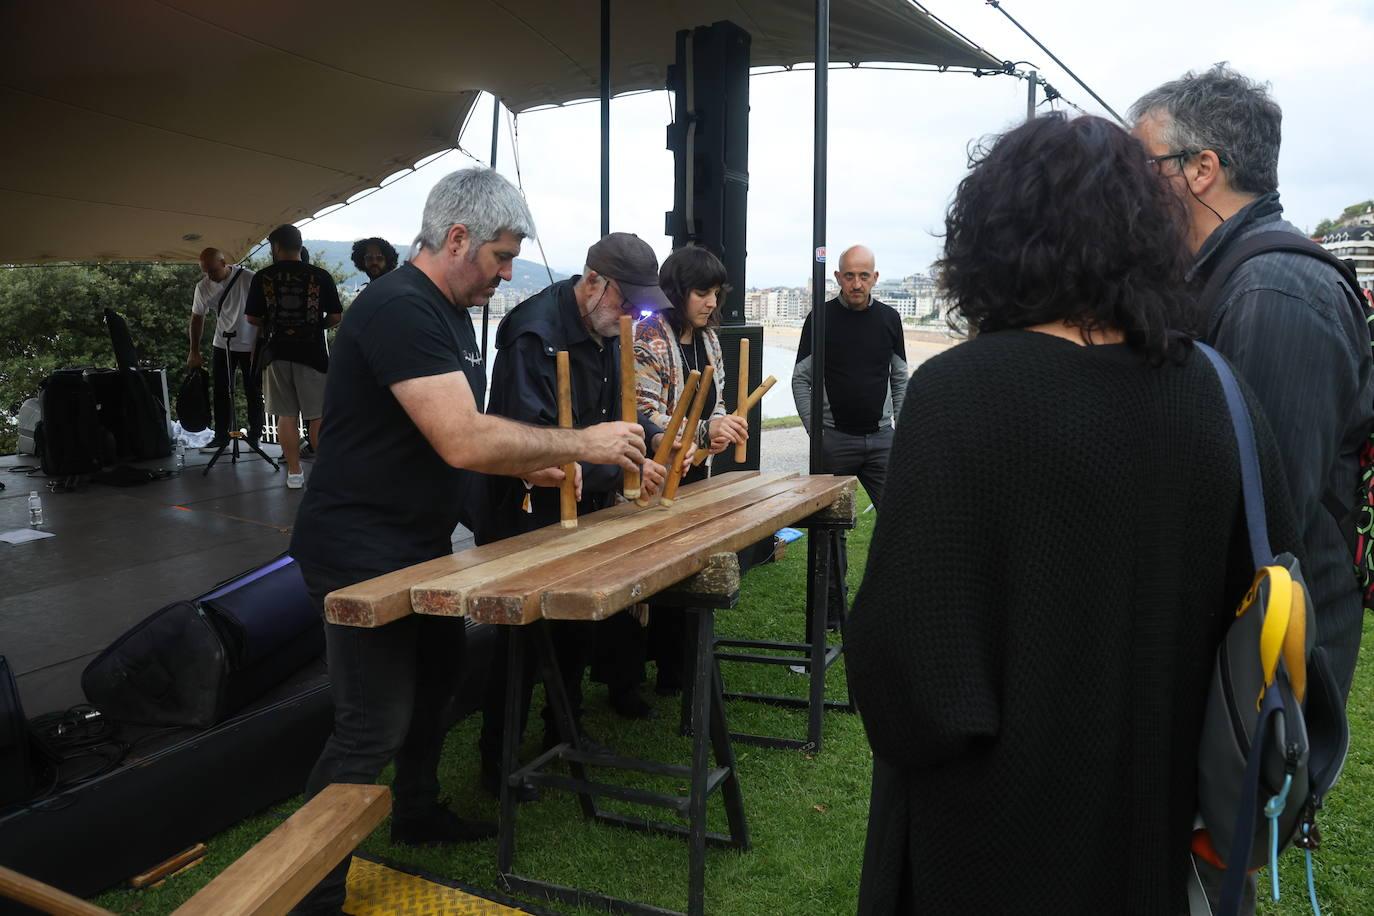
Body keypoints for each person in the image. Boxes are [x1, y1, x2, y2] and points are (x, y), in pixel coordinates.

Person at [845, 113, 1302, 915]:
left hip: (987, 847)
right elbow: (1263, 608)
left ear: (994, 236)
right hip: (1164, 834)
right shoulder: (1221, 395)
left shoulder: (957, 396)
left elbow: (909, 682)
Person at [288, 168, 647, 915]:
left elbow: (455, 434)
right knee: (370, 725)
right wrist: (581, 443)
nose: (508, 273)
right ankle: (309, 893)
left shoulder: (450, 312)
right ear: (458, 238)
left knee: (437, 682)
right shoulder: (401, 309)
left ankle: (416, 812)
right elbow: (461, 437)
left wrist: (527, 460)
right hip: (356, 546)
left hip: (415, 538)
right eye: (501, 256)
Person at [1133, 65, 1372, 704]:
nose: (1129, 187)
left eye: (1142, 165)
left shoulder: (1275, 290)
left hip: (1266, 662)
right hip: (1243, 641)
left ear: (1201, 168)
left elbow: (1263, 512)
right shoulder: (1228, 275)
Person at [475, 233, 674, 797]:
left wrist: (644, 450)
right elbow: (532, 445)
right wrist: (610, 462)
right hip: (523, 511)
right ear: (592, 283)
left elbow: (610, 421)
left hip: (580, 508)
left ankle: (564, 729)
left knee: (574, 631)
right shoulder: (533, 336)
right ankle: (497, 762)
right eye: (625, 303)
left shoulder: (607, 330)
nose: (631, 318)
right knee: (519, 641)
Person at [633, 245, 748, 691]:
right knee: (655, 574)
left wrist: (718, 430)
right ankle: (635, 676)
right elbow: (645, 415)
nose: (711, 302)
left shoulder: (709, 339)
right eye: (702, 293)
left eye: (716, 293)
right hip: (655, 477)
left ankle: (678, 669)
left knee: (691, 566)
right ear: (677, 292)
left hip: (695, 473)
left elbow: (715, 402)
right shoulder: (649, 336)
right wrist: (704, 430)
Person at [791, 244, 908, 626]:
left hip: (882, 440)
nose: (857, 283)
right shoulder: (820, 318)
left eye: (864, 275)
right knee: (828, 531)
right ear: (838, 277)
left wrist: (902, 432)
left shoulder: (890, 319)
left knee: (904, 521)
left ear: (875, 277)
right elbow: (801, 379)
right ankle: (830, 615)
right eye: (850, 275)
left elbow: (900, 378)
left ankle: (897, 608)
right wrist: (816, 433)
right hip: (834, 441)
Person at [244, 224, 343, 489]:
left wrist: (272, 324)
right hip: (312, 353)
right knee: (317, 416)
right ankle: (326, 473)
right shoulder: (320, 276)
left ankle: (295, 474)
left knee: (286, 415)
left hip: (276, 353)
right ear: (299, 244)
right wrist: (315, 327)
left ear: (276, 247)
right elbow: (336, 316)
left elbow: (251, 317)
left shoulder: (263, 277)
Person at [187, 247, 262, 450]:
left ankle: (255, 435)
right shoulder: (203, 287)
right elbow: (197, 318)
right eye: (205, 271)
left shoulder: (249, 278)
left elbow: (264, 313)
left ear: (223, 263)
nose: (209, 276)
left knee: (253, 390)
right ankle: (221, 435)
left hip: (249, 344)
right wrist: (194, 350)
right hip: (222, 343)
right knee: (220, 390)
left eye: (212, 270)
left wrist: (259, 345)